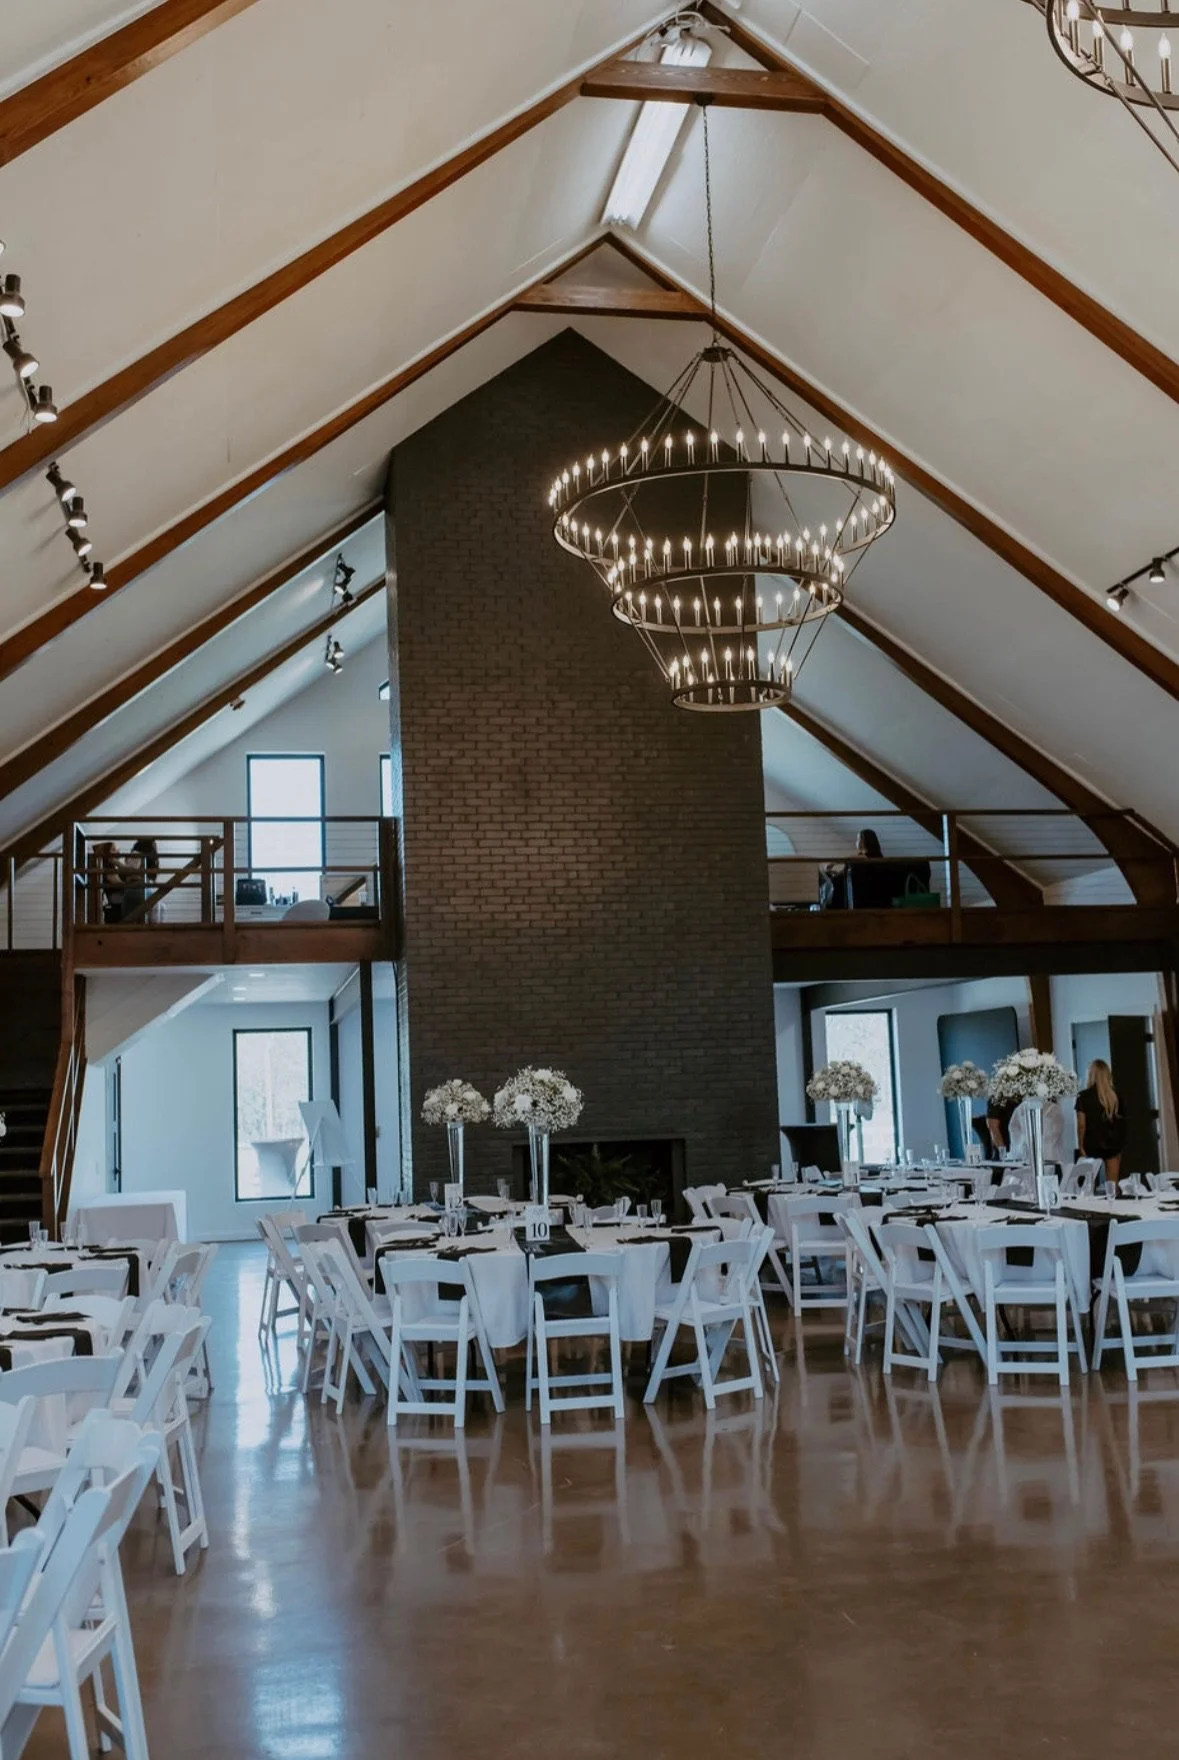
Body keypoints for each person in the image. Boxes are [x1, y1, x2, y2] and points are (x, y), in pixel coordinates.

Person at [1075, 1059, 1128, 1195]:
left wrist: (1081, 1146)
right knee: (1113, 1186)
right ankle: (1114, 1211)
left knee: (1089, 1187)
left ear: (1091, 1074)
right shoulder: (1115, 1096)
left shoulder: (1083, 1097)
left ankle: (1092, 1213)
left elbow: (1081, 1125)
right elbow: (1122, 1123)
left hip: (1091, 1143)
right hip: (1113, 1144)